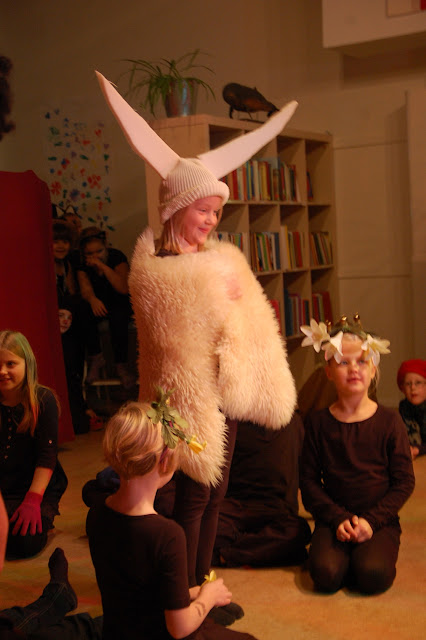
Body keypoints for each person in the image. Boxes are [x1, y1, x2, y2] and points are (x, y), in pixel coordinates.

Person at [95, 72, 298, 623]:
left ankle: (204, 581)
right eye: (202, 210)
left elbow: (240, 315)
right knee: (191, 495)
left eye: (215, 212)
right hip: (184, 400)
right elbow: (170, 332)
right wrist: (214, 297)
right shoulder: (157, 267)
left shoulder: (215, 259)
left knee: (217, 491)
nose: (210, 220)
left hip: (219, 391)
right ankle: (182, 593)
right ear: (175, 207)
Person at [86, 398, 258, 640]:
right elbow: (179, 628)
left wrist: (193, 593)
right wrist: (208, 598)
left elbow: (139, 592)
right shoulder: (167, 535)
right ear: (165, 460)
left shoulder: (96, 513)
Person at [299, 316, 415, 594]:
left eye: (362, 361)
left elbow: (404, 481)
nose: (353, 369)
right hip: (334, 518)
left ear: (373, 369)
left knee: (373, 576)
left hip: (378, 519)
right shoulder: (317, 423)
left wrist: (371, 521)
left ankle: (363, 555)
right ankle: (342, 555)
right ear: (328, 372)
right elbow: (309, 482)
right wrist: (337, 518)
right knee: (325, 576)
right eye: (343, 362)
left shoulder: (390, 421)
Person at [0, 330, 68, 559]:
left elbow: (47, 456)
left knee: (24, 543)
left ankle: (44, 524)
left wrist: (32, 501)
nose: (2, 371)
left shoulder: (43, 400)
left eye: (10, 364)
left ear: (26, 364)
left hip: (33, 490)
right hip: (2, 490)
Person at [212, 412, 311, 568]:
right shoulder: (232, 420)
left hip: (277, 510)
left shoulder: (293, 423)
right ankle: (264, 551)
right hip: (235, 506)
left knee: (299, 531)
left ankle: (226, 555)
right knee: (204, 525)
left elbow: (306, 473)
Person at [76, 226, 135, 389]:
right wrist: (92, 299)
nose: (95, 256)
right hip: (99, 303)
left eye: (99, 251)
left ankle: (121, 365)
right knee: (83, 310)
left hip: (119, 301)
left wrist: (102, 267)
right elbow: (85, 288)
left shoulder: (116, 257)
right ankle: (96, 357)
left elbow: (123, 288)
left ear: (105, 247)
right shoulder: (82, 264)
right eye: (90, 254)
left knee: (119, 316)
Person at [59, 302, 103, 434]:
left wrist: (84, 407)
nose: (65, 321)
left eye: (69, 318)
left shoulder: (72, 345)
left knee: (80, 425)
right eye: (61, 315)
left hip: (68, 395)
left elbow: (73, 380)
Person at [397, 359, 426, 460]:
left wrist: (418, 450)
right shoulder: (404, 407)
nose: (413, 387)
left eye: (418, 383)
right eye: (408, 384)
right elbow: (401, 436)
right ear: (403, 388)